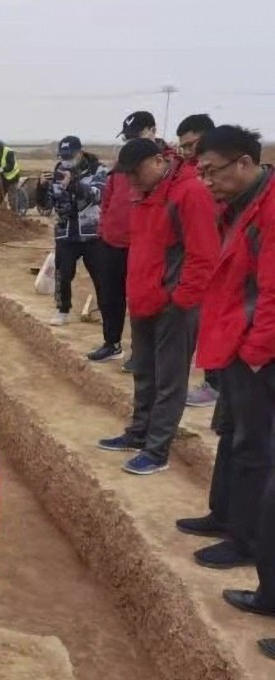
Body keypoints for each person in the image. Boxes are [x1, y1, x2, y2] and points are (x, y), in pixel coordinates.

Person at [180, 126, 274, 570]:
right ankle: (223, 515)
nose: (206, 181)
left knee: (254, 446)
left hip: (257, 352)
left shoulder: (269, 211)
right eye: (200, 172)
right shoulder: (236, 206)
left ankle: (246, 541)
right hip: (234, 341)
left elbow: (272, 292)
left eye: (212, 171)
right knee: (230, 435)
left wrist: (256, 352)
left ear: (245, 163)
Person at [98, 138, 219, 475]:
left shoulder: (189, 193)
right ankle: (139, 433)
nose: (130, 181)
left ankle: (157, 450)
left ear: (156, 161)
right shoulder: (143, 193)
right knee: (144, 373)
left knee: (169, 380)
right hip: (144, 299)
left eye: (135, 173)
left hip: (172, 307)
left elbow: (203, 255)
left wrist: (178, 300)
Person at [93, 112, 160, 367]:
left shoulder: (160, 165)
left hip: (140, 246)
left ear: (152, 131)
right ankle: (112, 343)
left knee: (140, 301)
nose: (131, 141)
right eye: (128, 138)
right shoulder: (122, 163)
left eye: (136, 135)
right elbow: (108, 197)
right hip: (111, 241)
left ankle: (141, 354)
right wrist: (103, 230)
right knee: (110, 296)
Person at [175, 114, 221, 407]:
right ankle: (214, 381)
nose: (188, 151)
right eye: (184, 146)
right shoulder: (192, 174)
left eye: (192, 144)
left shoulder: (218, 176)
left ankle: (215, 384)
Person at [48, 136, 107, 327]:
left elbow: (98, 194)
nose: (66, 160)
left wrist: (73, 185)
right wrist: (42, 191)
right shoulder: (58, 172)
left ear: (80, 153)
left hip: (92, 232)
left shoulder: (98, 170)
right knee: (63, 273)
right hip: (66, 231)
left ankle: (106, 311)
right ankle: (62, 309)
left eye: (70, 156)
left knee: (101, 275)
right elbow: (51, 202)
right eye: (63, 156)